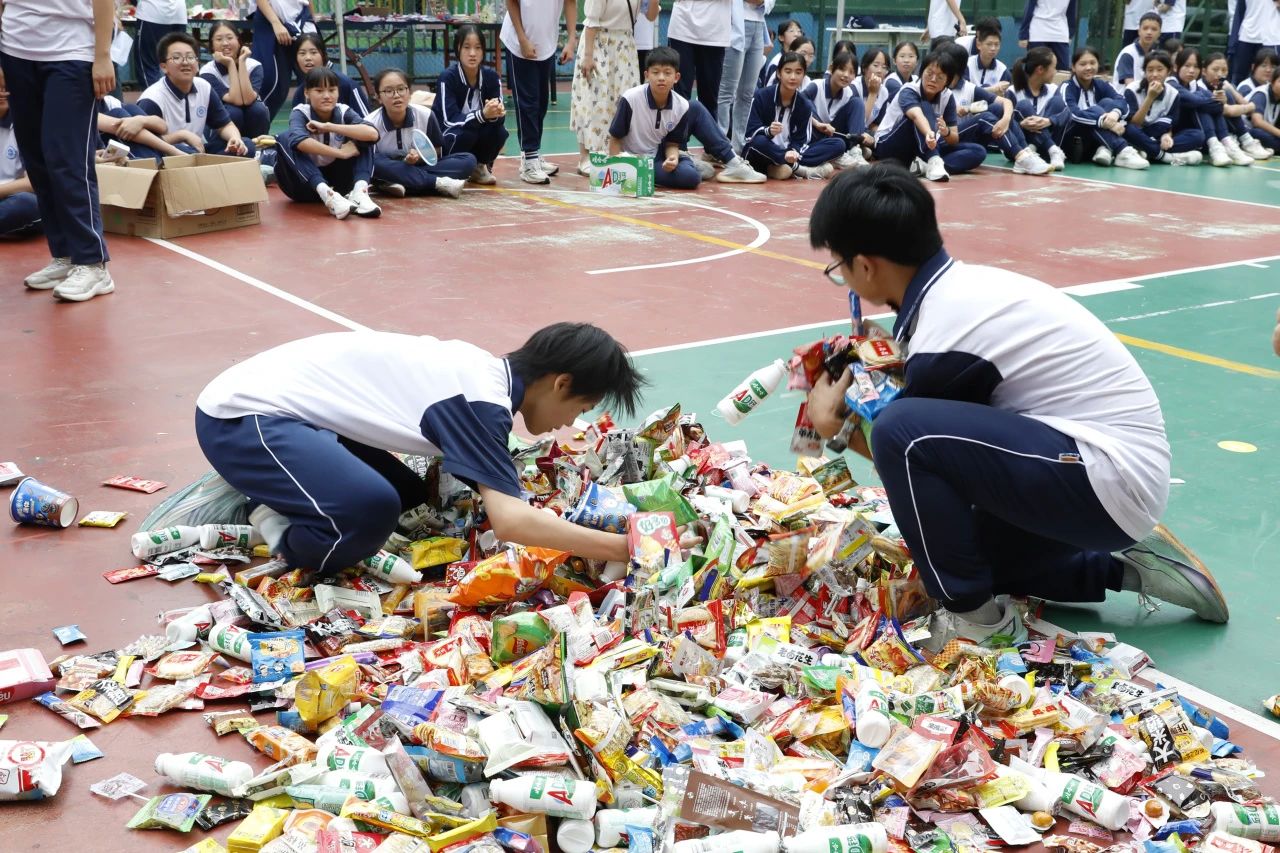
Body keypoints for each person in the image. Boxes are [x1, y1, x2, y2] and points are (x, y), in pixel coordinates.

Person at [804, 164, 1229, 650]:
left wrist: (835, 427)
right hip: (1102, 472)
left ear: (864, 266)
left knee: (901, 432)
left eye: (838, 269)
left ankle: (976, 623)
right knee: (968, 554)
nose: (845, 281)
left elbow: (915, 456)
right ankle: (1135, 567)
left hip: (1104, 475)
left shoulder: (945, 336)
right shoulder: (959, 292)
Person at [194, 323, 647, 578]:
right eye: (580, 408)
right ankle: (278, 529)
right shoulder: (479, 400)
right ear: (561, 383)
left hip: (291, 416)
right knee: (369, 512)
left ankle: (284, 489)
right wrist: (628, 548)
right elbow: (511, 522)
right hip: (241, 420)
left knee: (410, 500)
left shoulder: (483, 374)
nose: (569, 423)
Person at [1, 0, 116, 302]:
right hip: (15, 50)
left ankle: (92, 262)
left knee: (67, 159)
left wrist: (102, 56)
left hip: (71, 52)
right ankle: (64, 254)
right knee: (37, 159)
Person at [607, 45, 763, 188]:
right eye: (655, 72)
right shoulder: (631, 98)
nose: (661, 77)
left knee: (695, 107)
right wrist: (619, 171)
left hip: (660, 152)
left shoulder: (680, 104)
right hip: (636, 161)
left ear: (676, 77)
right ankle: (686, 163)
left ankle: (731, 162)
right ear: (647, 75)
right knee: (691, 178)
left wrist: (673, 159)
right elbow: (615, 138)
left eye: (667, 73)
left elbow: (672, 143)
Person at [274, 66, 381, 220]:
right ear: (307, 93)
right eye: (319, 91)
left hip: (339, 186)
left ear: (338, 92)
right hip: (302, 187)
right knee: (285, 138)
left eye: (332, 90)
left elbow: (372, 134)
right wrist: (340, 153)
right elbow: (299, 141)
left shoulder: (343, 111)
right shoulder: (301, 112)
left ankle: (359, 192)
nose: (326, 96)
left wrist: (329, 126)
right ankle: (328, 195)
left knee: (363, 137)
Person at [872, 48, 986, 182]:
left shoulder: (947, 96)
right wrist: (928, 134)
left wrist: (946, 132)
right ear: (922, 72)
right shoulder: (909, 90)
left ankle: (923, 167)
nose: (933, 79)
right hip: (889, 145)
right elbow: (916, 116)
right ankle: (933, 159)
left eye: (940, 77)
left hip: (926, 144)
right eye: (929, 73)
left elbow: (954, 138)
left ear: (947, 81)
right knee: (924, 106)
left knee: (978, 151)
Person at [138, 33, 253, 157]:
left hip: (198, 151)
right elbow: (144, 142)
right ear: (164, 67)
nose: (185, 62)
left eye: (190, 57)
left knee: (247, 145)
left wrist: (235, 138)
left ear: (197, 64)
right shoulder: (152, 99)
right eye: (177, 57)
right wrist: (181, 136)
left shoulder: (204, 87)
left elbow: (225, 125)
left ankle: (208, 166)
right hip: (168, 155)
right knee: (188, 152)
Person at [944, 45, 1050, 175]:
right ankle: (1021, 156)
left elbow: (1007, 102)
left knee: (998, 108)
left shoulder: (968, 87)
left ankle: (1024, 152)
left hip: (965, 138)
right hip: (945, 137)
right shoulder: (937, 86)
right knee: (984, 119)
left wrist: (1005, 120)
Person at [502, 0, 577, 184]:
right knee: (527, 103)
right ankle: (529, 161)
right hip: (520, 44)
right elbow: (511, 2)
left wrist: (571, 40)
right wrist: (522, 39)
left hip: (546, 45)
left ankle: (533, 155)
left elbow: (570, 2)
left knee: (541, 103)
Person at [368, 69, 471, 199]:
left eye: (401, 89)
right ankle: (437, 183)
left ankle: (396, 183)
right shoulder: (370, 123)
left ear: (409, 93)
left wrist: (420, 156)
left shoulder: (426, 115)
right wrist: (400, 164)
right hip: (387, 168)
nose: (396, 95)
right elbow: (370, 161)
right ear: (378, 97)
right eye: (388, 91)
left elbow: (437, 151)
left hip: (415, 167)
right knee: (374, 163)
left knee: (468, 161)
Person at [743, 50, 843, 180]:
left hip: (789, 153)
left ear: (804, 75)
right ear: (779, 73)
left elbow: (801, 140)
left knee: (838, 144)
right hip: (763, 152)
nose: (793, 77)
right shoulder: (762, 96)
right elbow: (750, 133)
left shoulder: (804, 105)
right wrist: (768, 131)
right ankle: (800, 169)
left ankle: (779, 167)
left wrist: (793, 151)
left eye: (798, 72)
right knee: (758, 142)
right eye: (788, 71)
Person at [570, 0, 644, 175]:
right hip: (599, 43)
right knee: (593, 99)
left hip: (625, 45)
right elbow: (591, 22)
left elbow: (650, 15)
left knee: (624, 99)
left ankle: (615, 152)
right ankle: (585, 156)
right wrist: (588, 56)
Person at [434, 25, 510, 186]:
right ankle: (447, 166)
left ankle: (480, 166)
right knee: (467, 133)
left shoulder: (491, 77)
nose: (473, 53)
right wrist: (482, 115)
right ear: (458, 49)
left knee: (499, 132)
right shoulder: (447, 78)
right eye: (467, 47)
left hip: (475, 131)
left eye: (478, 48)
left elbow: (499, 117)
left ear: (483, 51)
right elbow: (449, 120)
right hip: (449, 137)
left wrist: (496, 112)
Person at [1061, 46, 1149, 169]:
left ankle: (1105, 149)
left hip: (1096, 138)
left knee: (1108, 103)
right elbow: (1072, 114)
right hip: (1073, 140)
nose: (1088, 67)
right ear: (1073, 67)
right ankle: (1122, 151)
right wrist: (1103, 121)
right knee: (1096, 110)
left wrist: (1115, 114)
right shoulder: (1067, 87)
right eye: (1083, 64)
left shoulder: (1102, 84)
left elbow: (1123, 102)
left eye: (1092, 63)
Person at [1169, 47, 1253, 166]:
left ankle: (1225, 143)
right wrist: (1218, 103)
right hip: (1171, 133)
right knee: (1201, 106)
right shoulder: (1171, 83)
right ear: (1176, 67)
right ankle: (1216, 145)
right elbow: (1195, 101)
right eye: (1187, 66)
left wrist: (1220, 102)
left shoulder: (1193, 85)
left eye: (1196, 67)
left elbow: (1216, 105)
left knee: (1210, 102)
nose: (1191, 70)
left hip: (1192, 130)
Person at [1122, 50, 1204, 165]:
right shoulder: (1132, 89)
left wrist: (1167, 136)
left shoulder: (1173, 94)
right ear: (1145, 72)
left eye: (1160, 70)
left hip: (1156, 135)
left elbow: (1169, 124)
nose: (1155, 74)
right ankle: (1163, 156)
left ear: (1168, 71)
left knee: (1197, 136)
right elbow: (1135, 124)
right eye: (1150, 70)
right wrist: (1150, 98)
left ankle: (1145, 150)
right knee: (1129, 129)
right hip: (1137, 133)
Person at [716, 0, 774, 153]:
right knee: (726, 91)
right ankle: (719, 144)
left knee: (747, 93)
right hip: (734, 23)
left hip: (759, 25)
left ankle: (738, 146)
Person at [200, 23, 272, 142]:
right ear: (211, 45)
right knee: (233, 112)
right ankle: (225, 147)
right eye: (219, 39)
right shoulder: (207, 71)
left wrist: (242, 61)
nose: (225, 43)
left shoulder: (254, 65)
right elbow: (236, 100)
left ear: (238, 41)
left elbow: (248, 99)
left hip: (250, 113)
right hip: (222, 124)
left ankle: (258, 147)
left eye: (230, 38)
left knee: (258, 110)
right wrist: (230, 64)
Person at [803, 51, 870, 169]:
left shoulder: (849, 93)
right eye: (842, 69)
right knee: (805, 104)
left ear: (855, 76)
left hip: (833, 135)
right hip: (813, 134)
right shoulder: (816, 86)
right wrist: (817, 123)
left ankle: (854, 150)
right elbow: (799, 106)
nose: (846, 75)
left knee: (857, 103)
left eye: (851, 72)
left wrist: (864, 134)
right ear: (831, 68)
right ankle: (837, 155)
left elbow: (856, 118)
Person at [252, 0, 315, 119]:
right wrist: (276, 23)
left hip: (302, 18)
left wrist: (312, 18)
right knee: (271, 82)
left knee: (312, 80)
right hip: (271, 21)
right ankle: (256, 125)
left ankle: (306, 123)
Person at [1009, 46, 1069, 170]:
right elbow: (1005, 125)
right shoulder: (1013, 91)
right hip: (1021, 152)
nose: (1056, 72)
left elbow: (1067, 114)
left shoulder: (1053, 89)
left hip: (1044, 153)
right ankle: (1053, 149)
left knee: (1058, 102)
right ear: (1040, 69)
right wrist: (1020, 125)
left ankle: (1048, 149)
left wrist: (1049, 121)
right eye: (1054, 67)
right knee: (1024, 105)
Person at [1203, 51, 1271, 159]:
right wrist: (1249, 106)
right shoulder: (1200, 87)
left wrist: (1231, 90)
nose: (1220, 74)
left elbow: (1249, 110)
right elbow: (1227, 110)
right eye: (1215, 69)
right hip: (1207, 133)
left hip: (1232, 129)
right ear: (1204, 71)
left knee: (1228, 94)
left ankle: (1245, 141)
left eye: (1224, 70)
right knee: (1259, 134)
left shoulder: (1225, 86)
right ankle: (1242, 141)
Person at [291, 33, 369, 117]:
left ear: (323, 55)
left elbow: (367, 122)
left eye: (313, 52)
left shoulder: (346, 84)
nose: (308, 58)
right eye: (302, 53)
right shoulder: (300, 93)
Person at [0, 82, 40, 238]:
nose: (2, 93)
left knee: (29, 204)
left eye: (5, 87)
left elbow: (34, 182)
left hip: (10, 196)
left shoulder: (26, 124)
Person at [133, 0, 187, 89]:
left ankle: (154, 97)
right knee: (176, 62)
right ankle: (177, 96)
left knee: (147, 66)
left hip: (152, 13)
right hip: (179, 14)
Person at [1229, 0, 1280, 86]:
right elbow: (1239, 13)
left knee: (1271, 77)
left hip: (1271, 38)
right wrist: (1233, 43)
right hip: (1246, 36)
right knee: (1239, 77)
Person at [1018, 0, 1077, 73]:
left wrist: (1070, 34)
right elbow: (1029, 9)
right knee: (1035, 69)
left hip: (1060, 34)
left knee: (1063, 70)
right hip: (1038, 32)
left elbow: (1071, 11)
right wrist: (1023, 35)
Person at [852, 48, 898, 134]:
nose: (880, 71)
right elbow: (859, 123)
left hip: (867, 132)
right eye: (876, 65)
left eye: (884, 67)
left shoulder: (884, 92)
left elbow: (876, 124)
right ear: (864, 68)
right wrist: (873, 93)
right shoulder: (854, 87)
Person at [1114, 12, 1162, 88]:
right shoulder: (1128, 53)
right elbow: (1130, 87)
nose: (1149, 32)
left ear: (1159, 33)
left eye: (1154, 29)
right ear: (1139, 31)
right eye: (1145, 28)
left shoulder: (1154, 54)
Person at [965, 18, 1011, 90]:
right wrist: (992, 90)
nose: (993, 48)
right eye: (989, 44)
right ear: (978, 44)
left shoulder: (1002, 70)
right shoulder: (967, 65)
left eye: (997, 44)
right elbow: (964, 92)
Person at [758, 19, 803, 89]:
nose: (796, 34)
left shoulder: (801, 59)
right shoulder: (776, 62)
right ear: (781, 37)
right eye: (791, 31)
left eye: (799, 31)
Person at [1247, 67, 1280, 152]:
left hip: (1267, 132)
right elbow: (1257, 121)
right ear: (1272, 81)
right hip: (1248, 131)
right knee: (1258, 133)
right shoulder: (1261, 94)